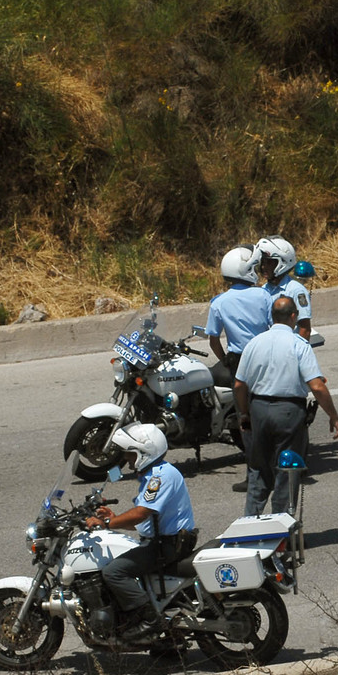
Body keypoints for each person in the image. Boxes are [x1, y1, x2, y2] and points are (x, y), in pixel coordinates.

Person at [84, 423, 196, 642]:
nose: (126, 459)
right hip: (163, 540)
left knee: (113, 572)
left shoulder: (159, 478)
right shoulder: (155, 474)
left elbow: (141, 514)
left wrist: (106, 524)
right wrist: (112, 519)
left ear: (144, 453)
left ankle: (150, 620)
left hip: (168, 545)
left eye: (129, 454)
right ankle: (166, 643)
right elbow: (142, 521)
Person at [235, 297, 338, 515]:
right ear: (293, 316)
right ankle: (281, 530)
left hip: (258, 409)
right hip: (288, 412)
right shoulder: (298, 344)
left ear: (272, 317)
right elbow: (317, 386)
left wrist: (245, 413)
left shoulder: (254, 343)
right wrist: (333, 415)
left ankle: (250, 525)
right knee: (287, 469)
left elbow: (239, 385)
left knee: (258, 468)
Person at [205, 246, 272, 386]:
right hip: (264, 355)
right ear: (246, 270)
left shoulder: (218, 303)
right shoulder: (263, 295)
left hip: (238, 361)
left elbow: (213, 341)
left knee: (241, 399)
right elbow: (275, 327)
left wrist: (224, 360)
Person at [253, 236, 313, 342]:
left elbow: (305, 329)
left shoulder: (296, 290)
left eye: (269, 262)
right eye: (263, 262)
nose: (263, 267)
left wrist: (296, 353)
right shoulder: (263, 290)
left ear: (283, 263)